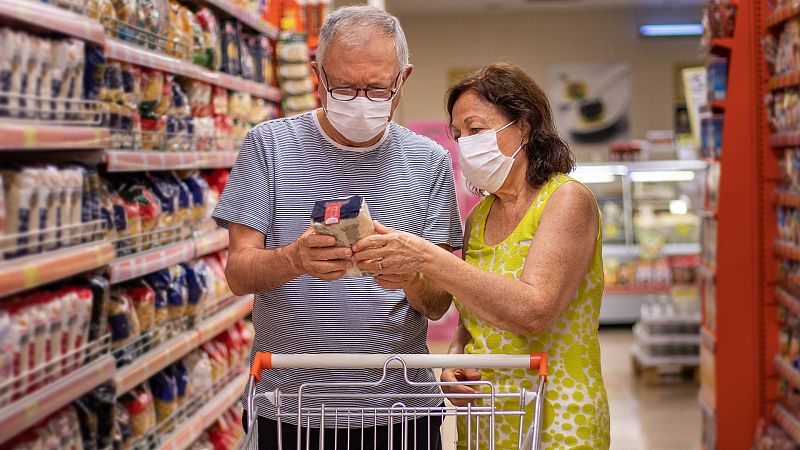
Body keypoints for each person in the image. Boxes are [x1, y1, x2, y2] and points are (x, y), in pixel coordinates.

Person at [212, 5, 462, 450]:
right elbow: (238, 274)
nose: (361, 100)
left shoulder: (430, 161)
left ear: (403, 79)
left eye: (378, 87)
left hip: (401, 408)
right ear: (318, 75)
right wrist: (294, 258)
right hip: (289, 405)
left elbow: (438, 302)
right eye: (345, 87)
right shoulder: (267, 147)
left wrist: (411, 277)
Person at [352, 63, 610, 449]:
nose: (465, 143)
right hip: (486, 416)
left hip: (554, 415)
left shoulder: (566, 200)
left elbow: (533, 311)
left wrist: (428, 257)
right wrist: (455, 356)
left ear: (523, 126)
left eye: (477, 130)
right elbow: (473, 319)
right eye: (458, 135)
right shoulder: (480, 216)